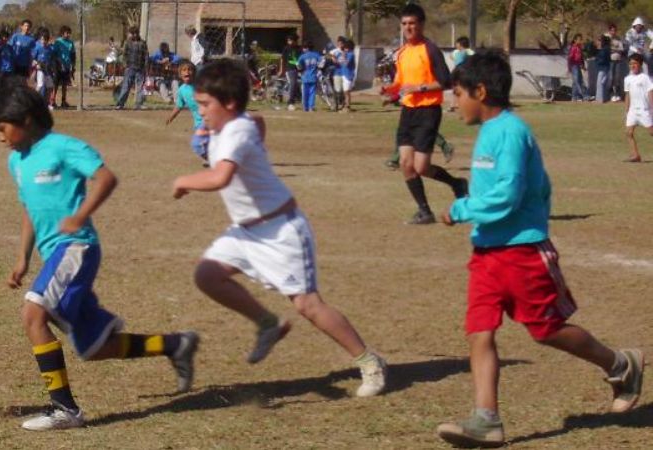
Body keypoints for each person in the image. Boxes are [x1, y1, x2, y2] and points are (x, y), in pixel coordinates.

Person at [436, 51, 644, 448]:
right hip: (486, 254)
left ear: (481, 91)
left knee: (545, 330)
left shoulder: (512, 132)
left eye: (458, 93)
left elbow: (508, 196)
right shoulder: (488, 131)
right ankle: (486, 419)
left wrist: (462, 208)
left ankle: (620, 363)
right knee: (479, 331)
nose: (454, 101)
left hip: (522, 253)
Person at [0, 81, 199, 431]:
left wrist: (81, 216)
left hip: (78, 248)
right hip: (55, 255)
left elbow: (106, 178)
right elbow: (29, 209)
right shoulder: (16, 162)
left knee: (32, 314)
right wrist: (22, 257)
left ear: (23, 119)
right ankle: (175, 344)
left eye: (2, 127)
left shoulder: (63, 148)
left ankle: (65, 410)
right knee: (95, 347)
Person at [171, 59, 387, 398]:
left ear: (228, 103)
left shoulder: (235, 131)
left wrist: (184, 180)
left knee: (308, 306)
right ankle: (267, 324)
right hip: (246, 231)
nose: (200, 112)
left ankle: (370, 361)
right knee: (207, 275)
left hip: (281, 230)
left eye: (204, 105)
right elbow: (259, 120)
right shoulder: (236, 125)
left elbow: (220, 177)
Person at [381, 3, 467, 224]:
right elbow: (400, 82)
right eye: (404, 24)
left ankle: (457, 184)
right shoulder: (401, 53)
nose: (408, 27)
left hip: (428, 111)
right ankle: (424, 211)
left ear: (421, 25)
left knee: (421, 167)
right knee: (405, 164)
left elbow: (446, 81)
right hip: (408, 111)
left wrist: (419, 88)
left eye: (412, 23)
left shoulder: (430, 49)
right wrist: (389, 90)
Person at [166, 61, 210, 164]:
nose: (187, 72)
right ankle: (209, 157)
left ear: (194, 72)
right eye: (184, 70)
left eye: (190, 70)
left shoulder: (201, 85)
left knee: (201, 141)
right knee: (199, 143)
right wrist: (171, 117)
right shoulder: (181, 90)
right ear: (180, 74)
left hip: (209, 119)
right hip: (198, 121)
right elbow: (179, 106)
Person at [623, 53, 653, 163]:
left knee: (651, 132)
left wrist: (652, 108)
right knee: (629, 132)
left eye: (635, 63)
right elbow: (627, 95)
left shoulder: (645, 78)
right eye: (631, 64)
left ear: (640, 64)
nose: (632, 66)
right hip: (633, 111)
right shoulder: (627, 79)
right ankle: (635, 155)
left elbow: (650, 92)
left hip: (644, 110)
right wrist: (626, 111)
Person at [114, 26, 148, 110]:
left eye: (136, 33)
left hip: (140, 68)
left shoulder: (143, 43)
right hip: (130, 68)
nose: (134, 35)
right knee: (126, 87)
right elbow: (124, 55)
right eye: (132, 33)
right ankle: (120, 104)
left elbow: (146, 55)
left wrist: (146, 66)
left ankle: (138, 104)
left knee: (140, 88)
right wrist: (125, 65)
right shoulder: (127, 43)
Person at [52, 25, 76, 109]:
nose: (68, 35)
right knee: (55, 84)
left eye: (69, 33)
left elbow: (73, 54)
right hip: (57, 66)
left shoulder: (71, 43)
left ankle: (63, 101)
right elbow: (54, 54)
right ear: (62, 33)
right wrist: (59, 63)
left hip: (66, 66)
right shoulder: (58, 42)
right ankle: (53, 101)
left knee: (65, 85)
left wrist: (73, 66)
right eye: (67, 33)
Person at [32, 27, 56, 109]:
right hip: (40, 70)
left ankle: (47, 103)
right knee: (40, 85)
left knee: (50, 86)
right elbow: (32, 59)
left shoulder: (50, 49)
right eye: (42, 39)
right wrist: (36, 64)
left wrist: (52, 67)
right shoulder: (37, 48)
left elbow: (52, 59)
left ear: (47, 40)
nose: (43, 41)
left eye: (45, 40)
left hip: (48, 70)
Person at [279, 33, 301, 111]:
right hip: (290, 69)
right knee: (293, 83)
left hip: (298, 69)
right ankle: (290, 103)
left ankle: (298, 99)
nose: (289, 42)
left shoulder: (299, 49)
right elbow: (282, 59)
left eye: (291, 40)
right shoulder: (286, 49)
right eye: (288, 40)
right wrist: (281, 70)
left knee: (298, 84)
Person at [297, 41, 321, 112]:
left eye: (304, 48)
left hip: (305, 76)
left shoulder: (303, 56)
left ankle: (305, 107)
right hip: (313, 76)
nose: (303, 49)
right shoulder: (316, 55)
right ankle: (311, 107)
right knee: (312, 93)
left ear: (307, 48)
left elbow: (298, 65)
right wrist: (318, 68)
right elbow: (322, 61)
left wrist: (300, 70)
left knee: (305, 93)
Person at [606, 23, 627, 102]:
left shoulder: (618, 38)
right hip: (610, 60)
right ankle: (610, 94)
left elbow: (621, 49)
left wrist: (614, 49)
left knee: (617, 78)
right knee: (611, 77)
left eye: (614, 30)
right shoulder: (607, 38)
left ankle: (617, 94)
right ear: (609, 31)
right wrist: (614, 49)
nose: (613, 32)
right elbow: (607, 49)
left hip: (618, 60)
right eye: (612, 30)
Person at [567, 34, 587, 101]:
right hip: (573, 65)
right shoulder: (573, 48)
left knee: (578, 81)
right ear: (575, 40)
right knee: (577, 81)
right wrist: (569, 67)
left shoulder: (579, 48)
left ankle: (575, 97)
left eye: (581, 39)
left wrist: (583, 65)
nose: (580, 41)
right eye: (579, 39)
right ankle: (583, 95)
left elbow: (581, 58)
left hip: (578, 65)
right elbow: (570, 58)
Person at [339, 38, 356, 112]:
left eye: (345, 47)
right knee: (345, 91)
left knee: (347, 92)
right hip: (344, 74)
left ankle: (347, 106)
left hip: (348, 75)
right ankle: (346, 105)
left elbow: (346, 63)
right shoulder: (346, 54)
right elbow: (341, 62)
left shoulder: (351, 54)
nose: (344, 49)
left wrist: (344, 55)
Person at [330, 36, 347, 110]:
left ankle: (343, 104)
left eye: (342, 43)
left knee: (344, 90)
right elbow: (329, 55)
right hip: (337, 73)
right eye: (339, 43)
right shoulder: (334, 51)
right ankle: (336, 104)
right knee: (338, 90)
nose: (340, 45)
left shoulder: (347, 51)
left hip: (346, 73)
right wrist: (333, 59)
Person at [595, 35, 611, 103]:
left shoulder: (604, 50)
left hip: (603, 68)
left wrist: (597, 61)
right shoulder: (606, 49)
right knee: (602, 83)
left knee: (600, 83)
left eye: (599, 40)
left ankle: (600, 99)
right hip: (605, 68)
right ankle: (602, 98)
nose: (598, 42)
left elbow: (602, 59)